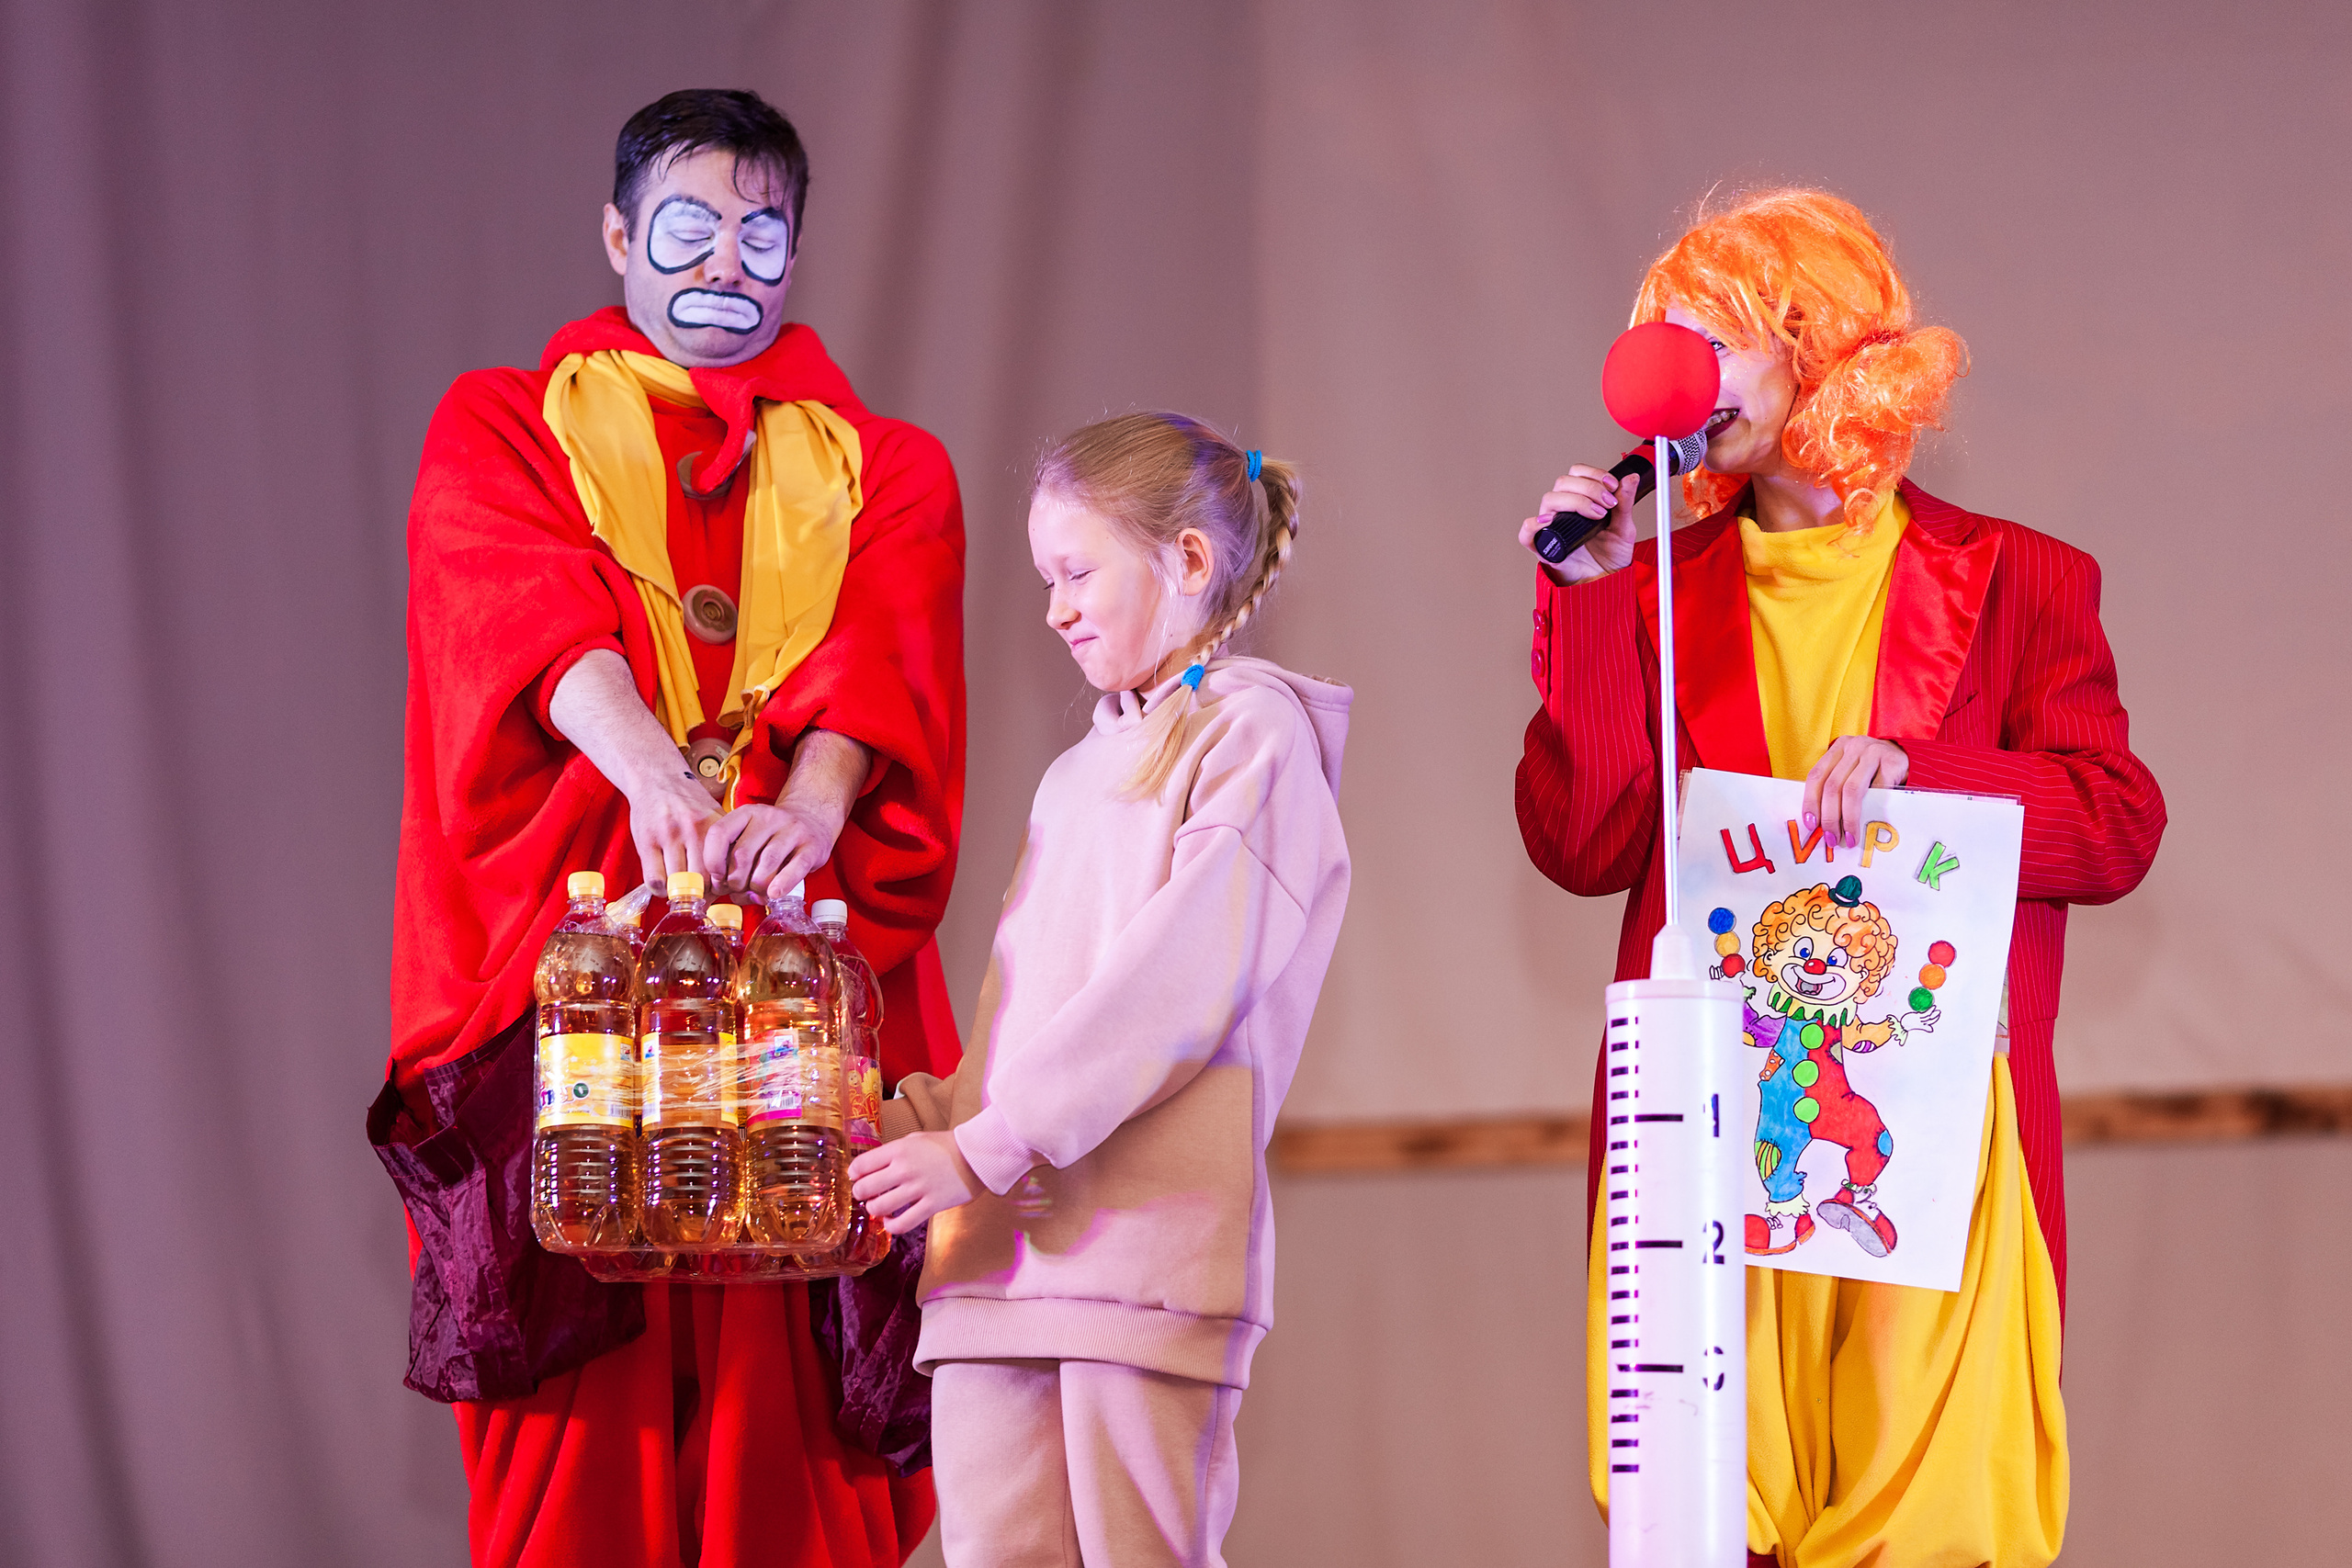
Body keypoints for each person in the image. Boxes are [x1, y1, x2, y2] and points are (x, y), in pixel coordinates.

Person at [1514, 189, 2165, 1567]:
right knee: (1712, 1494)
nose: (1678, 373)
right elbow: (1583, 844)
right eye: (1664, 340)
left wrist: (1930, 777)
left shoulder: (2021, 578)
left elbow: (2115, 824)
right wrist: (1592, 600)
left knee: (1918, 1509)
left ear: (1818, 351)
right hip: (1717, 1113)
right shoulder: (1649, 588)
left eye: (1717, 340)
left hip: (1930, 1123)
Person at [378, 89, 965, 1568]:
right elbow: (514, 608)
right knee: (584, 1407)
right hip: (577, 970)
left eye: (760, 235)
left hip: (798, 984)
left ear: (795, 252)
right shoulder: (506, 421)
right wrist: (654, 776)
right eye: (689, 227)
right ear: (618, 235)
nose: (722, 263)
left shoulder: (889, 464)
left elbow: (889, 645)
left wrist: (810, 809)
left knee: (801, 1393)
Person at [845, 413, 1352, 1568]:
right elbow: (1018, 1031)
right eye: (1046, 580)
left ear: (1187, 560)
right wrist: (891, 1129)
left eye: (1076, 572)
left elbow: (1172, 989)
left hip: (1144, 1269)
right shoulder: (1075, 773)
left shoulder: (1252, 733)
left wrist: (980, 1150)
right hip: (992, 1265)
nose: (1055, 608)